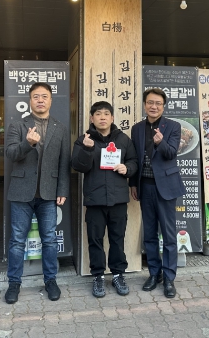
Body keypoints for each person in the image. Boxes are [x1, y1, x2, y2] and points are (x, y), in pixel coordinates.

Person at [4, 82, 70, 304]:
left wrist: (62, 189)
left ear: (51, 100)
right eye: (36, 96)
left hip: (48, 193)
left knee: (49, 240)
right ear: (30, 100)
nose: (40, 100)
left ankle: (50, 280)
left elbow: (64, 162)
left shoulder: (60, 128)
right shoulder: (17, 126)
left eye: (44, 96)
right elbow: (11, 154)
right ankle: (14, 283)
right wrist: (27, 144)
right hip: (21, 193)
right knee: (17, 241)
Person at [71, 101, 138, 298]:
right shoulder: (84, 139)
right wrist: (87, 149)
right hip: (95, 199)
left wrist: (128, 168)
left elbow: (133, 161)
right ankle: (98, 276)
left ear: (112, 118)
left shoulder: (123, 139)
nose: (102, 117)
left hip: (118, 199)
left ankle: (118, 274)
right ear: (91, 118)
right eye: (98, 114)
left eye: (106, 114)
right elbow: (77, 166)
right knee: (95, 240)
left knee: (117, 239)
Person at [130, 88, 186, 299]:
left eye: (158, 103)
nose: (154, 106)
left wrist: (160, 142)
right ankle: (155, 273)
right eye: (150, 102)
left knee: (169, 235)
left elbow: (171, 153)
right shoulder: (137, 129)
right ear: (145, 104)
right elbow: (134, 158)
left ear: (163, 106)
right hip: (144, 186)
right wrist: (133, 184)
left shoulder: (173, 126)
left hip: (166, 187)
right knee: (150, 233)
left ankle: (169, 277)